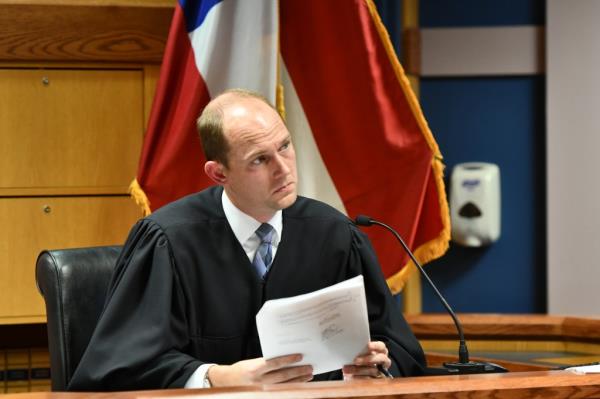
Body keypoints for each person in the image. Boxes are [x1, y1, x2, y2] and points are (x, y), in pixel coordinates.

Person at [68, 89, 426, 391]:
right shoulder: (167, 241)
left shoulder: (335, 235)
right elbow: (116, 370)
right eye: (259, 160)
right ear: (218, 173)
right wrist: (217, 378)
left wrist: (377, 365)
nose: (283, 169)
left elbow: (401, 350)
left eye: (285, 146)